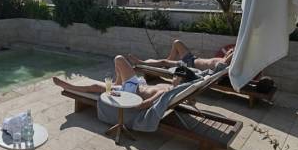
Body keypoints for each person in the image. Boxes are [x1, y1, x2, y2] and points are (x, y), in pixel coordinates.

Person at [52, 55, 198, 110]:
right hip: (133, 87)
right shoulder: (170, 87)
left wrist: (120, 97)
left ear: (180, 82)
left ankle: (68, 86)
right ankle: (116, 82)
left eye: (176, 77)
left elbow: (143, 105)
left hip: (131, 92)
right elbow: (191, 100)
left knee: (119, 59)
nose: (173, 77)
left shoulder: (165, 91)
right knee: (101, 83)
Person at [127, 40, 234, 71]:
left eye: (231, 51)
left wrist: (233, 54)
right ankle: (168, 63)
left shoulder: (223, 64)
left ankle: (140, 63)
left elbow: (225, 62)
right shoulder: (222, 59)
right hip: (192, 59)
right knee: (177, 42)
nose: (229, 50)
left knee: (163, 62)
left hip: (189, 66)